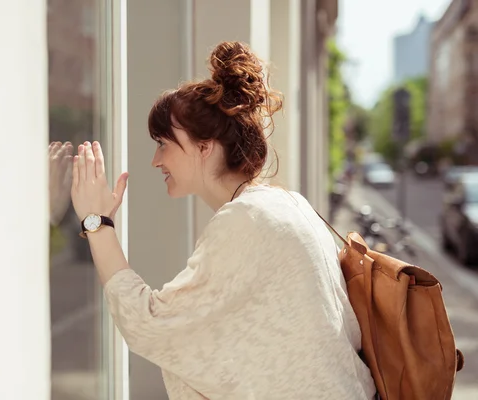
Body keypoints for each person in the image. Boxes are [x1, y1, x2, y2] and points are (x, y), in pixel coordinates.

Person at [70, 41, 376, 399]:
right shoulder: (286, 204)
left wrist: (97, 222)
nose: (156, 160)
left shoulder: (246, 220)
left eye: (164, 143)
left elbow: (150, 325)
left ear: (205, 146)